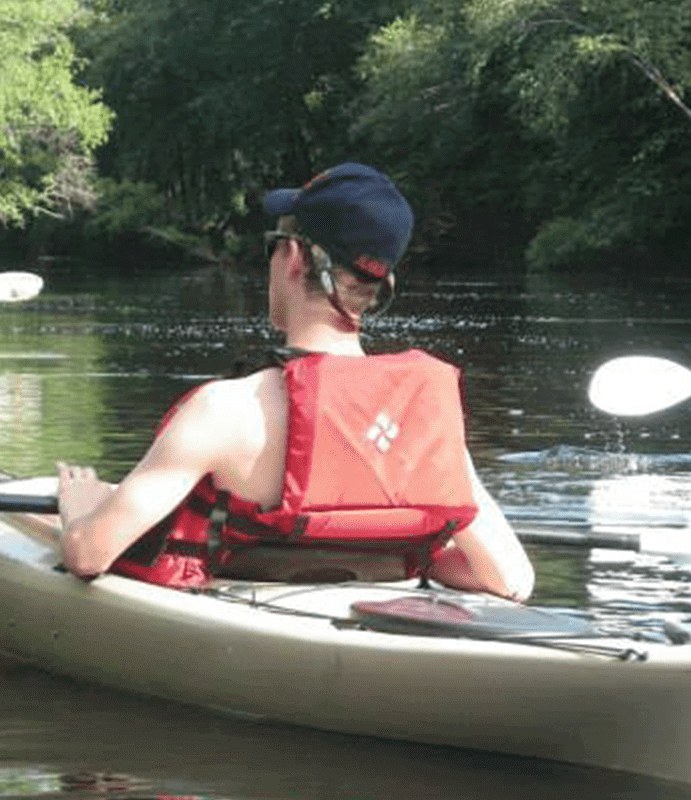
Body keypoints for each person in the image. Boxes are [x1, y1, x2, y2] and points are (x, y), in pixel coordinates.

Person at [56, 162, 535, 600]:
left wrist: (79, 508)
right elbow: (513, 580)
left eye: (272, 246)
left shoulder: (225, 411)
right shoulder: (424, 421)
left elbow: (88, 556)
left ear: (291, 258)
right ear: (381, 284)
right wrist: (422, 563)